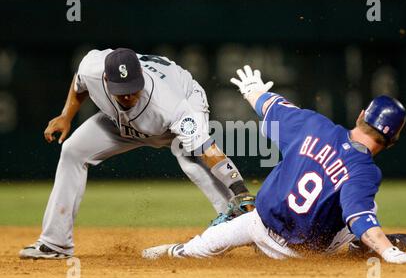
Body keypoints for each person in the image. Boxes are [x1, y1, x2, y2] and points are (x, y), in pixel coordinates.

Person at [142, 65, 406, 264]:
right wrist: (388, 251)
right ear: (393, 139)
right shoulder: (365, 172)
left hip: (257, 225)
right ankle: (363, 246)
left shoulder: (314, 125)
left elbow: (271, 106)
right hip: (304, 255)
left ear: (361, 115)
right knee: (366, 206)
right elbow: (359, 217)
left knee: (193, 250)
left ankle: (167, 252)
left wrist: (253, 91)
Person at [19, 49, 255, 259]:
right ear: (105, 79)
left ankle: (244, 225)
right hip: (121, 123)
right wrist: (66, 116)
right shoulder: (92, 67)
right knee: (72, 150)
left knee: (191, 158)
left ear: (140, 76)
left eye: (132, 89)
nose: (128, 96)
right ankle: (55, 243)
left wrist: (239, 189)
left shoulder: (171, 105)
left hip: (179, 105)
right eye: (121, 91)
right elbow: (79, 82)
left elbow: (208, 149)